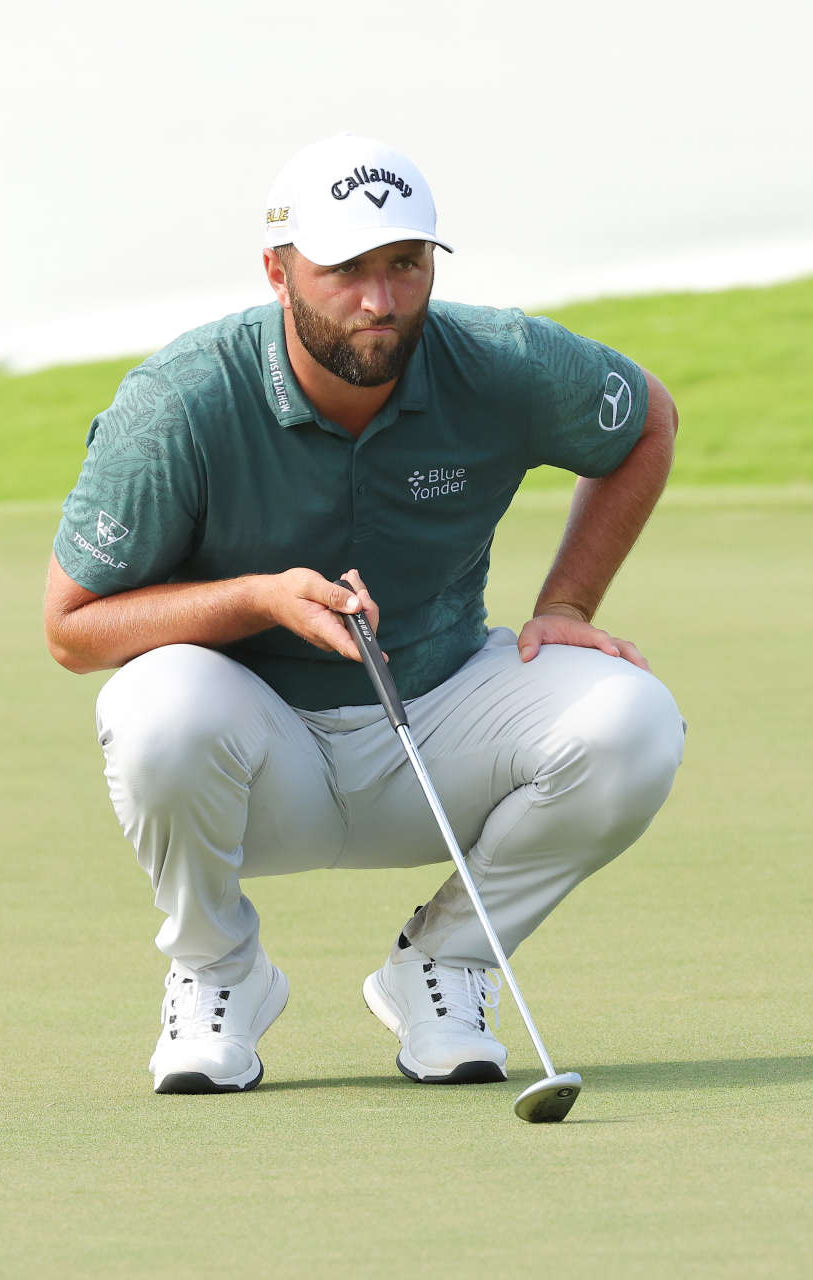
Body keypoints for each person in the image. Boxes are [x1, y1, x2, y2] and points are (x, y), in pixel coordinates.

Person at [42, 133, 685, 1094]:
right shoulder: (179, 401)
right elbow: (70, 628)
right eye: (345, 269)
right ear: (277, 269)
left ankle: (447, 964)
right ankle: (221, 974)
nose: (380, 301)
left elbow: (647, 420)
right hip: (258, 758)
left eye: (405, 264)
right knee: (157, 709)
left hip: (438, 724)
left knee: (634, 718)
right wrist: (256, 598)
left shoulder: (499, 360)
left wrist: (567, 603)